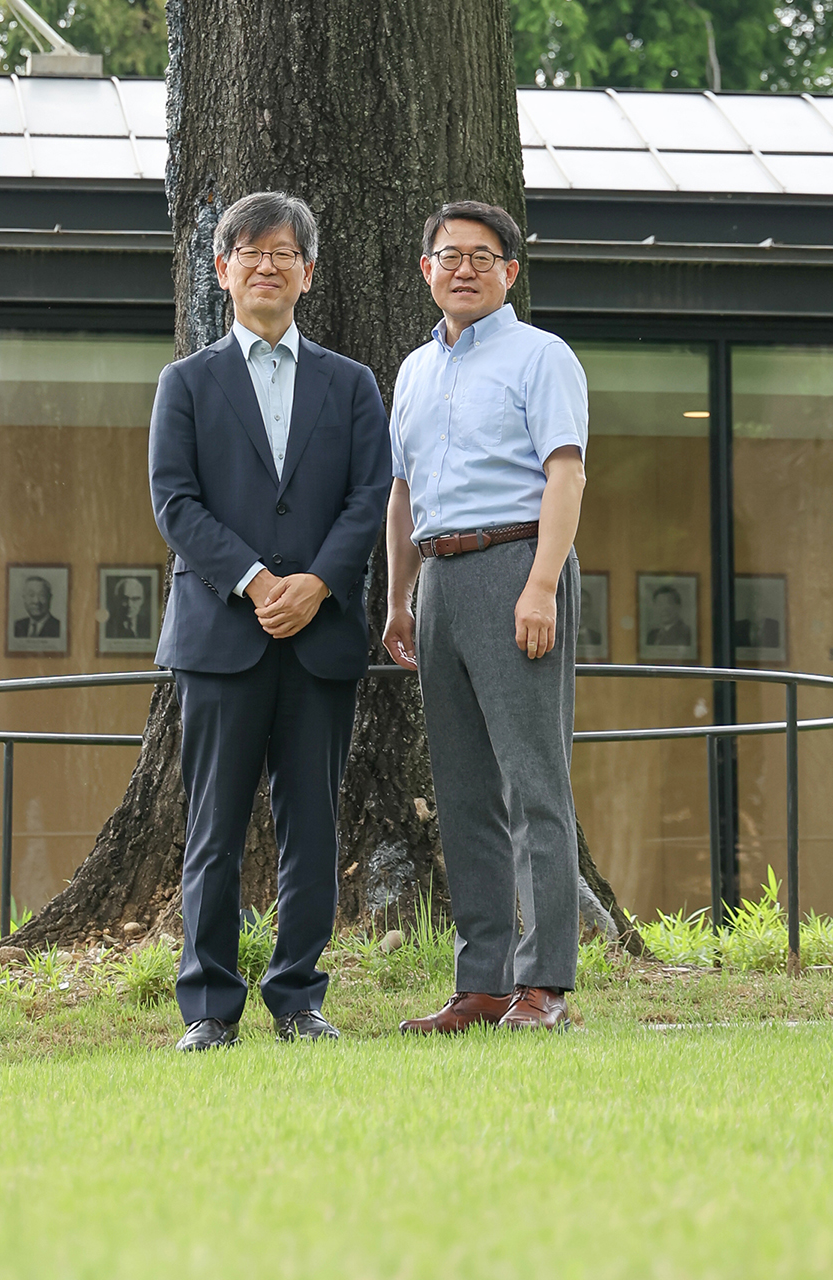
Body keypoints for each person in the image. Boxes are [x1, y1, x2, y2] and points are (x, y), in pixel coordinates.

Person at [150, 190, 390, 1052]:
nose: (265, 264)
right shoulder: (186, 382)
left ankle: (299, 999)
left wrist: (319, 583)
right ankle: (210, 1007)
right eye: (247, 252)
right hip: (221, 639)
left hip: (319, 639)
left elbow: (370, 499)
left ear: (307, 273)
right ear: (221, 272)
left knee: (312, 829)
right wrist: (255, 581)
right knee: (211, 827)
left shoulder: (352, 384)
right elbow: (174, 502)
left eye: (283, 252)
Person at [384, 201, 589, 1034]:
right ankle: (482, 984)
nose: (462, 267)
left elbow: (566, 476)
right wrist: (397, 596)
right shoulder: (412, 372)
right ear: (426, 269)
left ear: (509, 272)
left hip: (516, 565)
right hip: (439, 578)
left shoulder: (543, 357)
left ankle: (545, 987)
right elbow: (400, 493)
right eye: (447, 254)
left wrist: (540, 586)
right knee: (464, 791)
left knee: (534, 783)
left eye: (481, 255)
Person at [13, 574, 61, 639]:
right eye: (31, 595)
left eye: (42, 595)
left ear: (50, 598)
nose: (36, 601)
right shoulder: (17, 626)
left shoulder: (59, 628)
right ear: (24, 598)